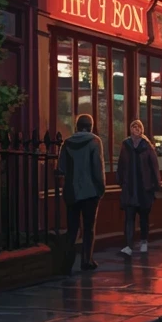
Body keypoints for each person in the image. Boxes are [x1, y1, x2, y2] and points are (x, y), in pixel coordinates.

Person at [57, 113, 106, 273]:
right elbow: (98, 168)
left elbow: (61, 168)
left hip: (71, 191)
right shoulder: (94, 141)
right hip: (90, 191)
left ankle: (66, 262)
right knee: (89, 227)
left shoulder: (67, 143)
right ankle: (87, 260)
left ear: (77, 126)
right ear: (90, 126)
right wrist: (101, 188)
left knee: (72, 228)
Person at [117, 119, 161, 256]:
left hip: (144, 188)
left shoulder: (147, 146)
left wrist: (156, 186)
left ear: (142, 129)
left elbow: (154, 167)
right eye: (133, 126)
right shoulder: (126, 145)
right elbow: (121, 165)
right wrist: (120, 181)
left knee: (143, 218)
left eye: (138, 127)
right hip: (130, 188)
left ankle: (143, 242)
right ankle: (128, 245)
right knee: (129, 218)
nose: (136, 129)